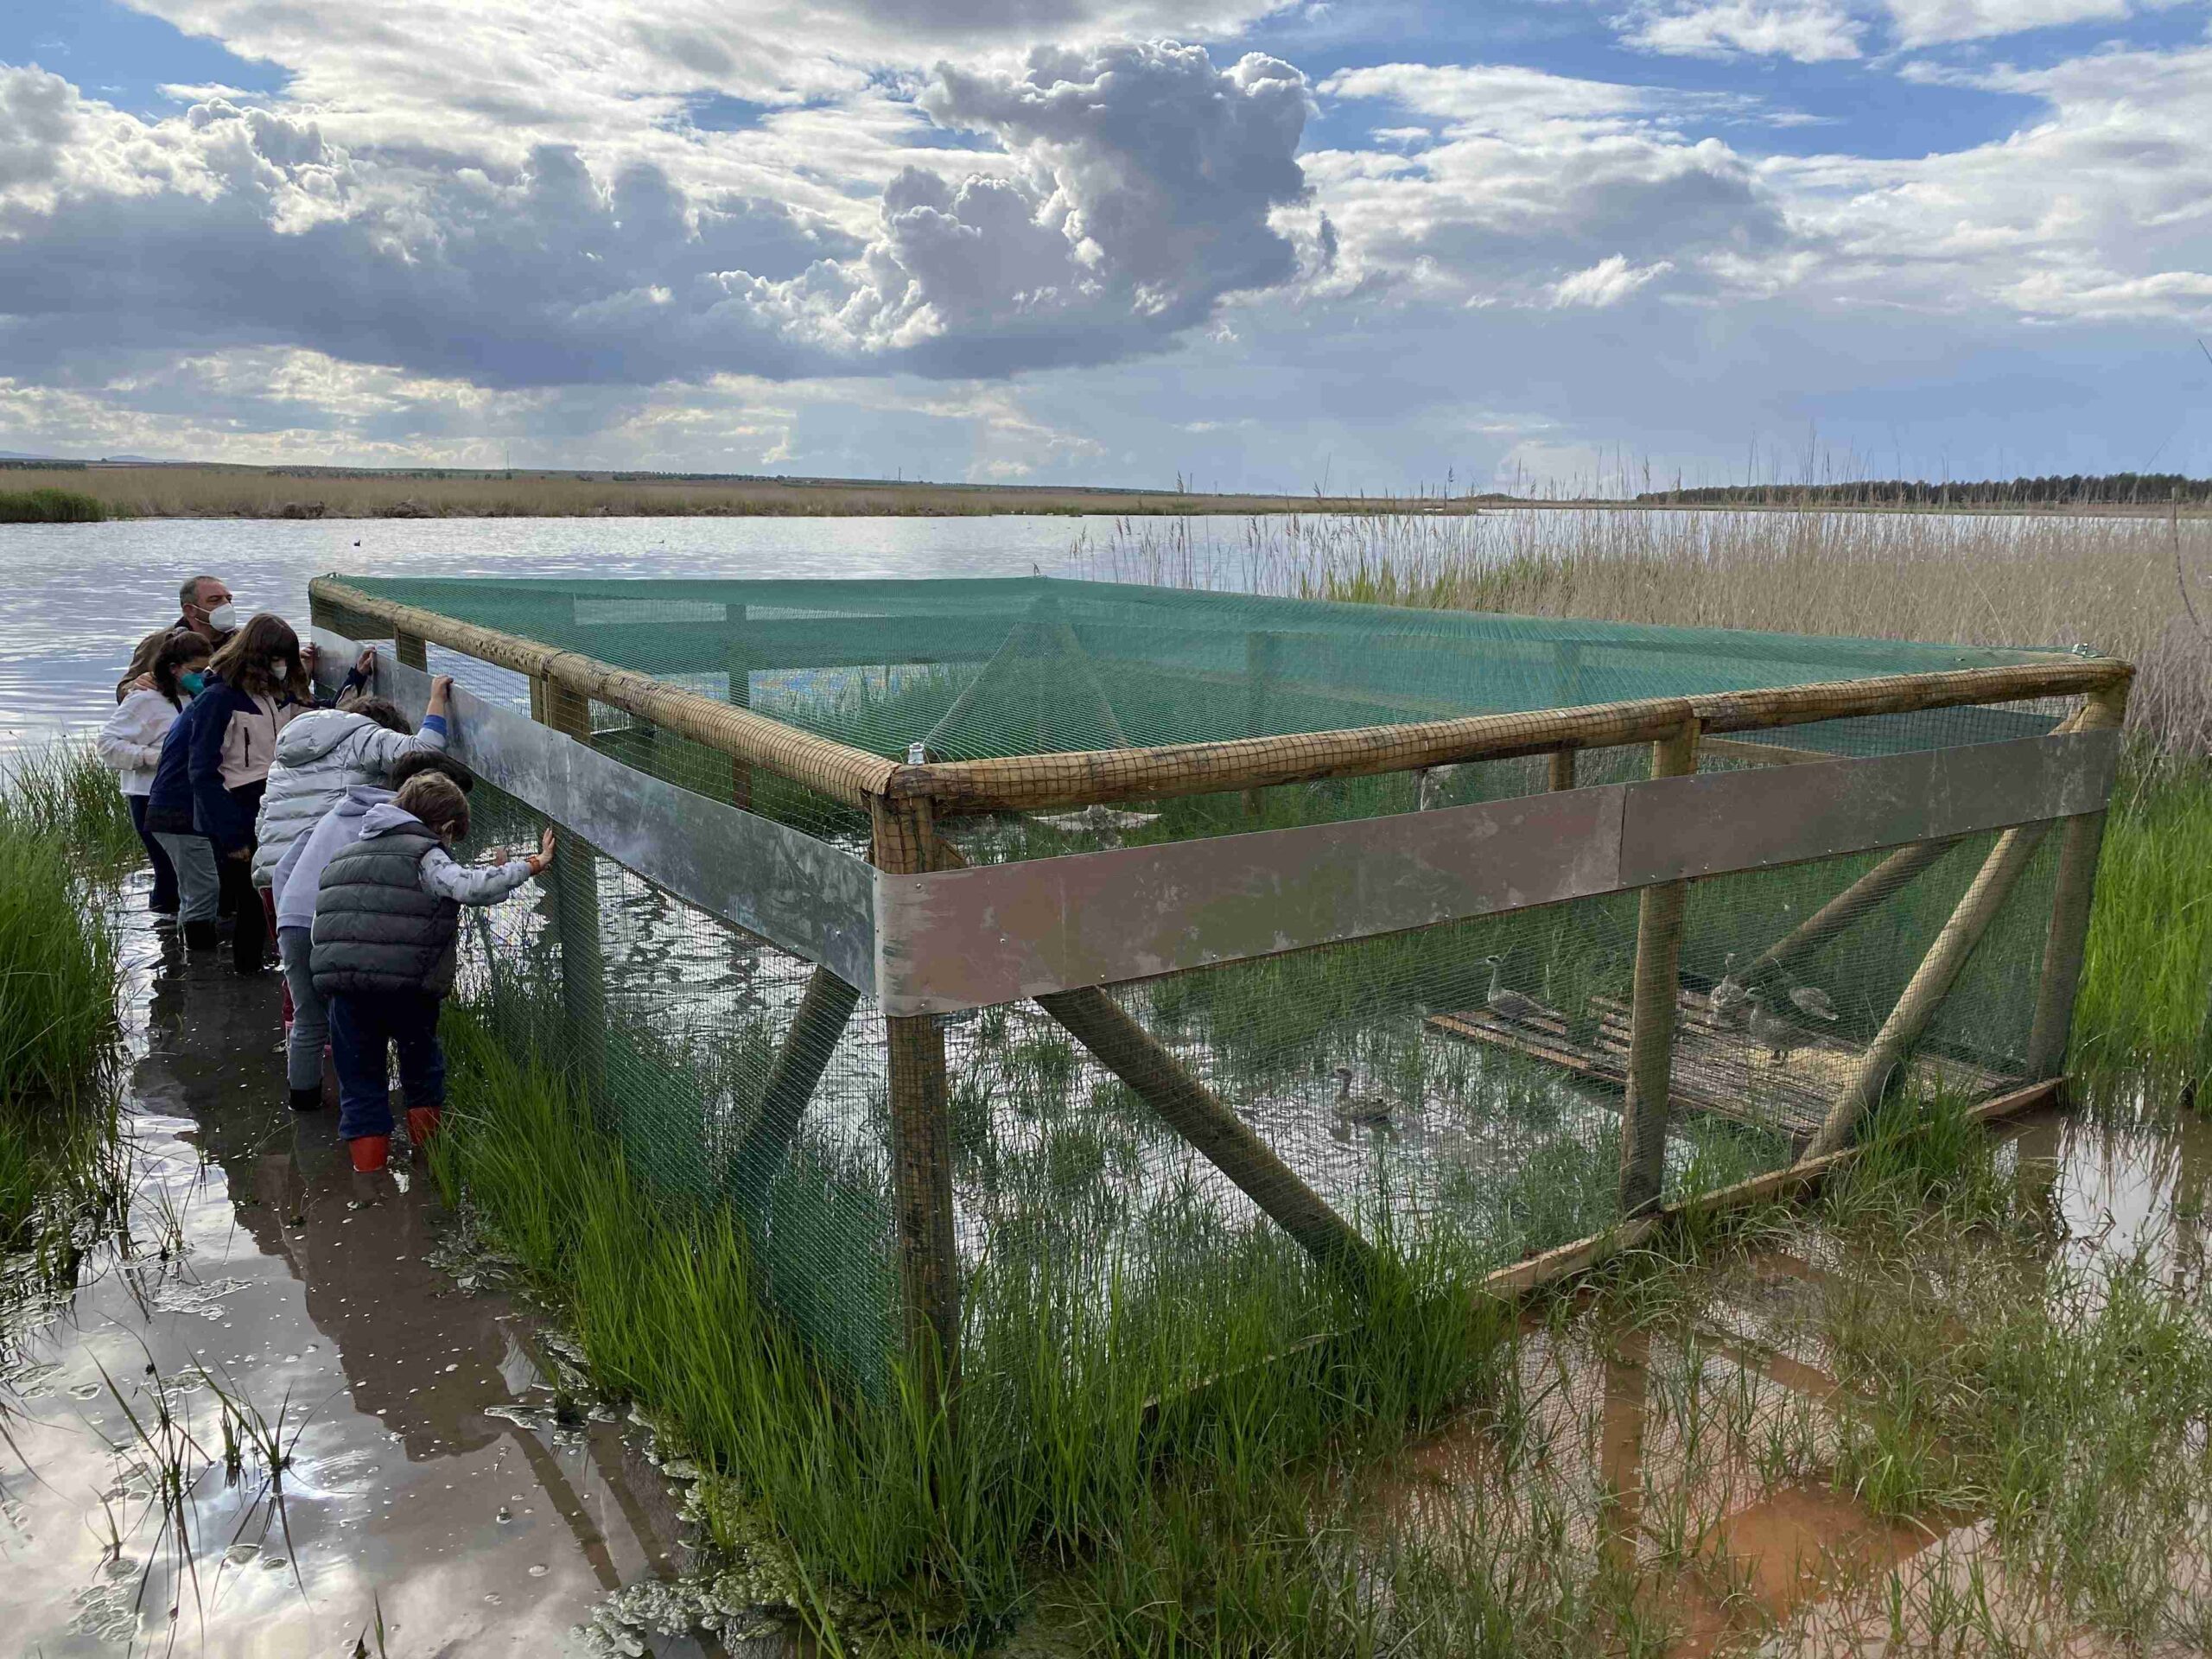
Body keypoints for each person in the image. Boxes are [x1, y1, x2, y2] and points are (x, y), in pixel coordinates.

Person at [312, 771, 555, 1173]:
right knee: (421, 1071)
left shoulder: (345, 854)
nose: (448, 847)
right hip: (406, 989)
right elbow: (469, 888)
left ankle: (370, 1187)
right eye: (451, 838)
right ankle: (430, 1169)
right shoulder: (425, 853)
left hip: (345, 989)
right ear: (443, 827)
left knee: (360, 1084)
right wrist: (531, 865)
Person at [270, 751, 475, 1113]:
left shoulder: (350, 810)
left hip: (296, 915)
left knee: (309, 1018)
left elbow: (286, 865)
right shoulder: (400, 832)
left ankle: (304, 1108)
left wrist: (287, 917)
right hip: (333, 922)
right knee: (361, 1026)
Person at [190, 614, 354, 976]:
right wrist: (231, 835)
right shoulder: (218, 699)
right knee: (249, 903)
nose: (282, 667)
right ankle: (247, 977)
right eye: (276, 659)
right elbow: (202, 772)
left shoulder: (279, 695)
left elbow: (321, 717)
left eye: (287, 659)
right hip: (236, 804)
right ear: (256, 657)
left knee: (282, 887)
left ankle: (279, 968)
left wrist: (355, 682)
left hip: (275, 799)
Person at [252, 670, 452, 894]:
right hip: (320, 880)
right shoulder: (362, 736)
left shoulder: (282, 760)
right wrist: (437, 700)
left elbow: (262, 823)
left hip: (270, 880)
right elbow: (424, 752)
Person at [99, 632, 214, 918]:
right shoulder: (145, 700)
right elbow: (107, 745)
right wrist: (157, 758)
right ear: (174, 668)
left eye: (208, 670)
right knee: (168, 873)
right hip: (149, 797)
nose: (203, 677)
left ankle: (182, 932)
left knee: (197, 874)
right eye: (197, 671)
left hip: (192, 796)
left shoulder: (203, 697)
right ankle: (166, 937)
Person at [116, 575, 236, 702]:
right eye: (214, 600)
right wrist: (135, 685)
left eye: (229, 599)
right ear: (190, 610)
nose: (226, 605)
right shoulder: (158, 642)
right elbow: (123, 690)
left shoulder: (241, 641)